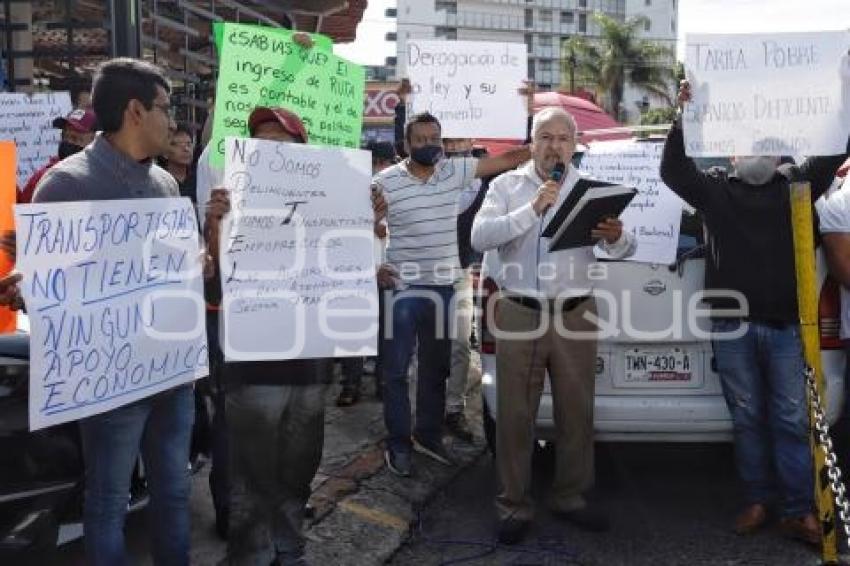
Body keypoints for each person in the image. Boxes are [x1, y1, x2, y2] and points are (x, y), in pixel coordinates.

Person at [660, 79, 850, 545]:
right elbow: (672, 169)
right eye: (746, 148)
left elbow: (837, 145)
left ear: (783, 156)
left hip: (787, 328)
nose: (756, 155)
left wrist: (843, 91)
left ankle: (798, 509)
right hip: (732, 328)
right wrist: (684, 115)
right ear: (732, 157)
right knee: (746, 418)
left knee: (789, 418)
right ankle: (757, 501)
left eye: (767, 147)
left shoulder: (800, 186)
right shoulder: (713, 192)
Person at [31, 58, 191, 565]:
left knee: (175, 493)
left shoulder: (166, 184)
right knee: (107, 503)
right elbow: (50, 298)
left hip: (171, 372)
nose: (174, 121)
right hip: (108, 385)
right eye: (168, 108)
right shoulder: (65, 186)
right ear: (136, 110)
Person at [471, 107, 635, 544]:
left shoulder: (590, 190)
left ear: (574, 144)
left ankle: (571, 496)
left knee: (576, 411)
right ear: (532, 141)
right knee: (515, 414)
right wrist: (532, 208)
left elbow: (625, 246)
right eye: (546, 136)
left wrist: (616, 236)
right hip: (519, 311)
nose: (554, 145)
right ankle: (513, 504)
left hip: (575, 313)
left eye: (563, 138)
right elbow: (480, 237)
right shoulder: (505, 186)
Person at [204, 106, 333, 565]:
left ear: (303, 151)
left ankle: (290, 547)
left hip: (310, 364)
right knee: (250, 474)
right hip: (253, 367)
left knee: (299, 466)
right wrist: (213, 225)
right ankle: (253, 555)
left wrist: (371, 226)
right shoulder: (230, 200)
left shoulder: (331, 199)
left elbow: (361, 273)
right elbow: (215, 282)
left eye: (282, 142)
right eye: (261, 142)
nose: (270, 150)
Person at [372, 111, 531, 477]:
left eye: (435, 139)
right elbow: (362, 225)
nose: (430, 145)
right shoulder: (383, 183)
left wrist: (538, 139)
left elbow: (507, 160)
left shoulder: (454, 171)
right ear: (406, 145)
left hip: (444, 288)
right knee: (395, 371)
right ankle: (398, 444)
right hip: (402, 290)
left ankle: (427, 436)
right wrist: (373, 253)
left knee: (436, 369)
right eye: (422, 139)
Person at [336, 140, 396, 407]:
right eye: (382, 163)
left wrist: (386, 229)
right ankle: (351, 384)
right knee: (354, 331)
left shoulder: (399, 190)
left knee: (386, 332)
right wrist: (369, 224)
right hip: (357, 273)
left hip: (389, 272)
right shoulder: (349, 191)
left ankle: (383, 383)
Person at [18, 107, 98, 204]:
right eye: (64, 136)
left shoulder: (107, 177)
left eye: (75, 138)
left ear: (94, 140)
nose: (68, 142)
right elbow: (21, 210)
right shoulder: (43, 177)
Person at [160, 123, 197, 203]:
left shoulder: (198, 177)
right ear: (164, 152)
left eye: (189, 144)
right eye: (177, 145)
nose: (186, 149)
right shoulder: (159, 181)